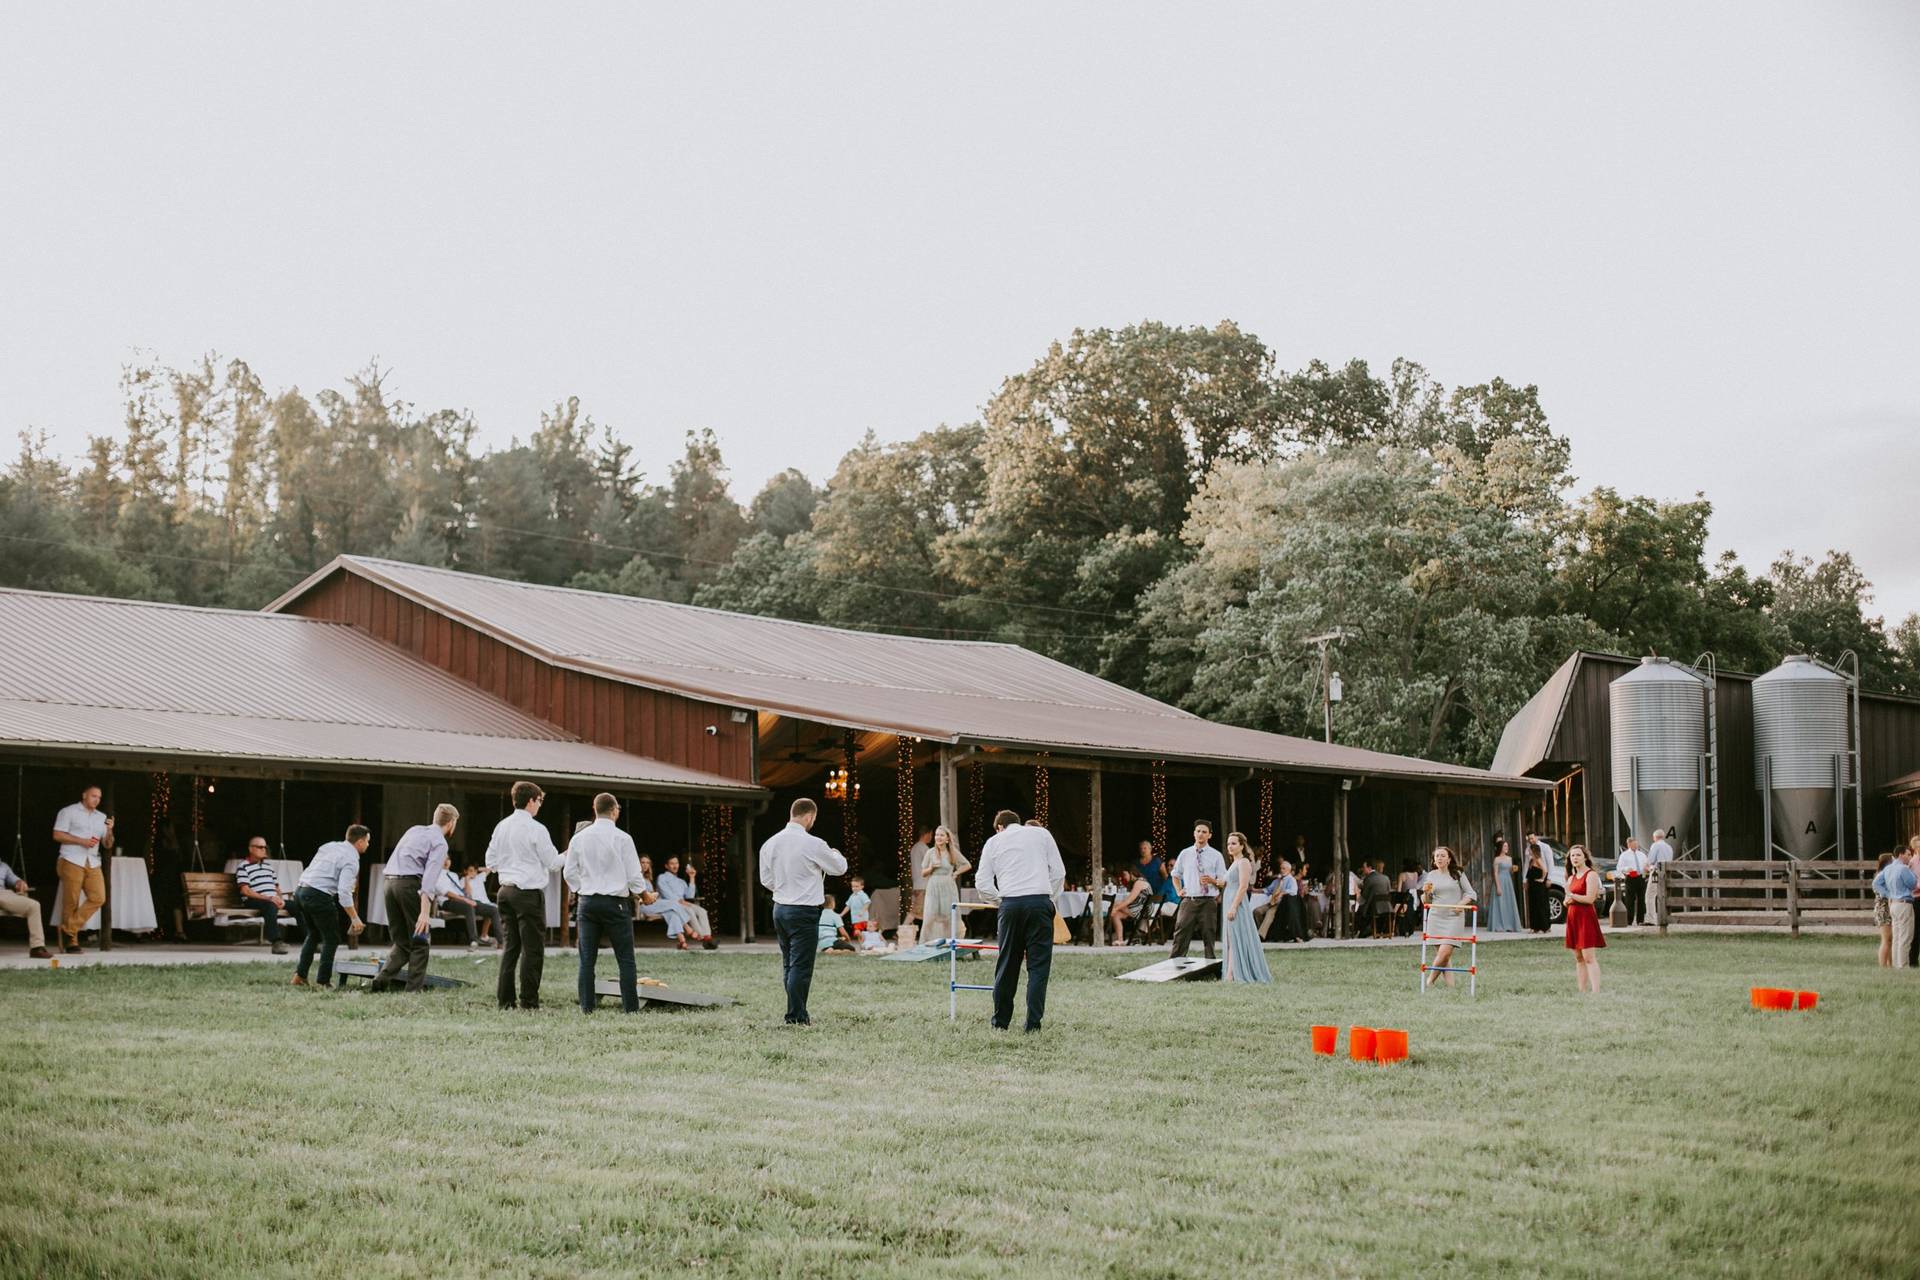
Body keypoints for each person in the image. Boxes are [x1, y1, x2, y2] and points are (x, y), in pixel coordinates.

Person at [974, 809, 1065, 1032]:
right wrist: (1049, 899)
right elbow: (1059, 872)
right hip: (1039, 902)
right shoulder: (1042, 834)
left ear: (999, 827)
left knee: (1007, 965)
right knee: (1038, 967)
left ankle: (1000, 1023)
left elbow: (982, 883)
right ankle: (1033, 1025)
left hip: (1010, 904)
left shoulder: (993, 842)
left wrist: (1001, 901)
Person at [758, 797, 847, 1026]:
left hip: (779, 909)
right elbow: (839, 868)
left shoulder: (770, 843)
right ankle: (796, 1017)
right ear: (809, 816)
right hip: (803, 911)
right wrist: (836, 854)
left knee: (789, 963)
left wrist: (785, 887)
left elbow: (766, 879)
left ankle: (794, 1010)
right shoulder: (813, 843)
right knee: (801, 966)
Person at [485, 780, 563, 1011]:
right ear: (531, 801)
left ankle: (505, 1001)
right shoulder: (536, 829)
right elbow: (553, 863)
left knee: (511, 948)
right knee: (532, 950)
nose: (539, 805)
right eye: (539, 801)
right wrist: (570, 853)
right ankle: (529, 1002)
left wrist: (510, 865)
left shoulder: (501, 826)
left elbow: (490, 861)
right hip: (527, 893)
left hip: (505, 891)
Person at [564, 792, 645, 1014]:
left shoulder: (578, 838)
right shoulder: (623, 838)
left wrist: (581, 889)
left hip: (587, 902)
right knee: (625, 958)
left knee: (587, 959)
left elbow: (569, 871)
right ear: (614, 810)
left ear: (595, 809)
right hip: (615, 903)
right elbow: (634, 875)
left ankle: (587, 1007)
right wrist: (643, 894)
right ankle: (630, 1008)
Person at [368, 804, 458, 993]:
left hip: (389, 884)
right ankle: (413, 991)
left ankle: (381, 980)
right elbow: (429, 879)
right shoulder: (440, 842)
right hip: (409, 886)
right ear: (451, 823)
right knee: (420, 940)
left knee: (401, 941)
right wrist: (425, 913)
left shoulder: (414, 830)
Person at [291, 826, 368, 987]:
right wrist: (355, 918)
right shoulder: (351, 860)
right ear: (360, 841)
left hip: (300, 891)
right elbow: (344, 893)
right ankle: (323, 981)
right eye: (367, 841)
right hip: (318, 895)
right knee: (331, 939)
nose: (368, 845)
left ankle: (299, 976)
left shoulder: (329, 846)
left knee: (313, 934)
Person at [52, 784, 112, 953]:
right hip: (71, 858)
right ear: (84, 795)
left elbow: (107, 844)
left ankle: (68, 928)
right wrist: (81, 841)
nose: (97, 800)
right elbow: (57, 834)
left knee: (99, 897)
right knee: (71, 901)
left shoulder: (102, 816)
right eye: (94, 796)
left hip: (92, 861)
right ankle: (71, 943)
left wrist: (109, 831)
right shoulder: (68, 811)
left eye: (99, 797)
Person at [1418, 847, 1477, 988]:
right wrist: (1425, 893)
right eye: (1437, 856)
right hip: (1436, 917)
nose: (1439, 858)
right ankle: (1451, 987)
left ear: (1449, 859)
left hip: (1454, 917)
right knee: (1444, 956)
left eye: (1443, 855)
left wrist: (1460, 904)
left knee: (1445, 952)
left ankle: (1429, 981)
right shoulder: (1431, 875)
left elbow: (1471, 893)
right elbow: (1427, 901)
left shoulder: (1457, 873)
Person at [1168, 821, 1226, 959]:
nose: (1200, 834)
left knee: (1209, 934)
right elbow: (1175, 875)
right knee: (1181, 933)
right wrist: (1178, 890)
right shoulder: (1185, 853)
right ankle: (1175, 964)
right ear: (1194, 833)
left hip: (1208, 901)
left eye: (1204, 832)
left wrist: (1211, 880)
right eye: (1198, 831)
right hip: (1189, 900)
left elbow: (1223, 881)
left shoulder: (1216, 855)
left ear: (1210, 835)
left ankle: (1210, 965)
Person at [1220, 833, 1272, 984]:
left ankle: (1233, 974)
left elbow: (1243, 886)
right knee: (1231, 939)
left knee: (1236, 938)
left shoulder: (1243, 862)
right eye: (1229, 843)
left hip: (1237, 903)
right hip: (1229, 899)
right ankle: (1230, 972)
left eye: (1234, 843)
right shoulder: (1234, 863)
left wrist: (1234, 907)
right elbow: (1226, 883)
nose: (1230, 846)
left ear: (1242, 846)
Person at [235, 836, 290, 955]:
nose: (264, 849)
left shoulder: (268, 867)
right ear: (251, 849)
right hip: (253, 899)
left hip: (272, 900)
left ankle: (312, 941)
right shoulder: (243, 866)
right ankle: (276, 942)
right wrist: (269, 898)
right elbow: (245, 891)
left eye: (265, 847)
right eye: (260, 847)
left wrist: (280, 899)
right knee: (270, 906)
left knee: (299, 905)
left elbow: (276, 887)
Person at [1563, 843, 1607, 991]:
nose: (1575, 858)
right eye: (1572, 855)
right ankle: (1581, 990)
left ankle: (1596, 991)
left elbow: (1589, 899)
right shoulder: (1571, 878)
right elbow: (1566, 900)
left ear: (1585, 858)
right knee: (1579, 958)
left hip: (1585, 918)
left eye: (1578, 855)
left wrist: (1572, 896)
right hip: (1573, 918)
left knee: (1588, 957)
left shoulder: (1591, 875)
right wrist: (1567, 900)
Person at [919, 826, 971, 945]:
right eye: (937, 835)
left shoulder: (952, 853)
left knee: (948, 917)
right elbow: (923, 873)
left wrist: (956, 873)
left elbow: (967, 864)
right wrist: (931, 868)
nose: (938, 837)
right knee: (930, 916)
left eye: (942, 835)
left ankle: (948, 943)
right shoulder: (930, 852)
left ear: (947, 839)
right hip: (933, 885)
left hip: (948, 886)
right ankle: (926, 943)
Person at [658, 855, 718, 949]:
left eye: (676, 863)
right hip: (672, 905)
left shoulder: (681, 881)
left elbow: (690, 896)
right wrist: (680, 902)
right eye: (672, 863)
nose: (675, 866)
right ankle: (703, 938)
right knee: (690, 911)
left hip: (684, 903)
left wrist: (692, 878)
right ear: (666, 866)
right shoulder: (662, 878)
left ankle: (707, 936)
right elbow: (666, 894)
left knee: (702, 911)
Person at [435, 862, 500, 948]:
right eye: (444, 859)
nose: (446, 861)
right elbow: (446, 892)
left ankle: (501, 941)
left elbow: (462, 892)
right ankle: (474, 940)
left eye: (448, 859)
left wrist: (466, 899)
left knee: (493, 910)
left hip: (462, 899)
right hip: (447, 901)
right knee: (469, 907)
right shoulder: (436, 875)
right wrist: (464, 899)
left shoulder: (453, 875)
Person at [635, 856, 694, 948]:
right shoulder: (635, 877)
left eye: (647, 862)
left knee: (672, 913)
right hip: (645, 905)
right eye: (642, 862)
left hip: (654, 903)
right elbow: (637, 894)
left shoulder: (647, 878)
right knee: (674, 903)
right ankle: (688, 928)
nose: (645, 865)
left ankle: (682, 941)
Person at [0, 853, 51, 958]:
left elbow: (15, 879)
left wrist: (19, 883)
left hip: (3, 894)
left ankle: (37, 948)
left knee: (34, 905)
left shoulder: (3, 866)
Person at [1872, 849, 1916, 970]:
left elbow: (1876, 883)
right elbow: (1912, 884)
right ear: (1901, 855)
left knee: (1896, 936)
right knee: (1905, 936)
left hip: (1893, 904)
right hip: (1904, 902)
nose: (1910, 857)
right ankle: (1903, 965)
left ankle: (1896, 964)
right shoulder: (1903, 869)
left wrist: (1889, 894)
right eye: (1908, 854)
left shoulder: (1887, 869)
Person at [1485, 838, 1520, 933]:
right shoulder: (1497, 859)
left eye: (1507, 846)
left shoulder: (1510, 859)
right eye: (1505, 846)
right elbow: (1495, 873)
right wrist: (1498, 886)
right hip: (1499, 880)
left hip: (1508, 881)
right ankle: (1499, 925)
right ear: (1500, 847)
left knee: (1508, 902)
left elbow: (1510, 872)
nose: (1506, 847)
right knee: (1499, 902)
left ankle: (1509, 925)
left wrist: (1513, 870)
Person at [1108, 869, 1150, 945]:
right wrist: (1115, 909)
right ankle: (1120, 940)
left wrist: (1115, 908)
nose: (1124, 877)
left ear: (1131, 873)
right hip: (1138, 908)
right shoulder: (1138, 882)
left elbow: (1129, 900)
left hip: (1143, 910)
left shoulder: (1140, 882)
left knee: (1115, 905)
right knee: (1116, 914)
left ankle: (1099, 924)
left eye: (1125, 875)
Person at [1617, 837, 1649, 927]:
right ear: (1629, 845)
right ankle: (1629, 920)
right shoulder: (1624, 855)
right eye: (1634, 844)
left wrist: (1647, 868)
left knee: (1641, 899)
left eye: (1637, 844)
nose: (1636, 846)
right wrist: (1627, 869)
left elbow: (1646, 864)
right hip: (1630, 877)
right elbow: (1619, 868)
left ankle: (1640, 920)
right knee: (1630, 900)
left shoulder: (1642, 854)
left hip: (1641, 877)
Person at [1646, 828, 1676, 924]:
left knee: (1650, 895)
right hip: (1666, 873)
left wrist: (1648, 867)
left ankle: (1651, 919)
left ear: (1655, 837)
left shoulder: (1655, 845)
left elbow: (1650, 860)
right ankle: (1665, 917)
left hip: (1656, 872)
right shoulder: (1669, 847)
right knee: (1663, 895)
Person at [1356, 861, 1393, 937]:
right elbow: (1389, 891)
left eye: (1364, 867)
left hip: (1374, 908)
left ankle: (1363, 930)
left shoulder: (1368, 879)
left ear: (1369, 868)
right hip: (1387, 907)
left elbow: (1365, 895)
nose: (1363, 869)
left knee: (1360, 909)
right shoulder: (1386, 878)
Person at [906, 826, 933, 927]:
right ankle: (901, 931)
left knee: (922, 910)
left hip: (917, 883)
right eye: (931, 834)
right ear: (926, 834)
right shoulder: (924, 848)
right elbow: (930, 865)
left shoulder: (914, 847)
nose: (931, 837)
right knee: (916, 911)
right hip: (923, 884)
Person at [1872, 852, 1895, 967]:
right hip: (1883, 908)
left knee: (1890, 939)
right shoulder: (1881, 875)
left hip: (1888, 907)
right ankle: (1883, 965)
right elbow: (1881, 893)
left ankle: (1891, 964)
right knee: (1886, 938)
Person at [1524, 847, 1550, 933]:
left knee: (1539, 906)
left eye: (1530, 850)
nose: (1528, 851)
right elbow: (1529, 873)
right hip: (1532, 886)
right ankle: (1534, 927)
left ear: (1534, 851)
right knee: (1533, 906)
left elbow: (1545, 870)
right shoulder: (1531, 860)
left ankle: (1544, 927)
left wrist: (1542, 879)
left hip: (1538, 887)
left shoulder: (1538, 859)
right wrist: (1527, 883)